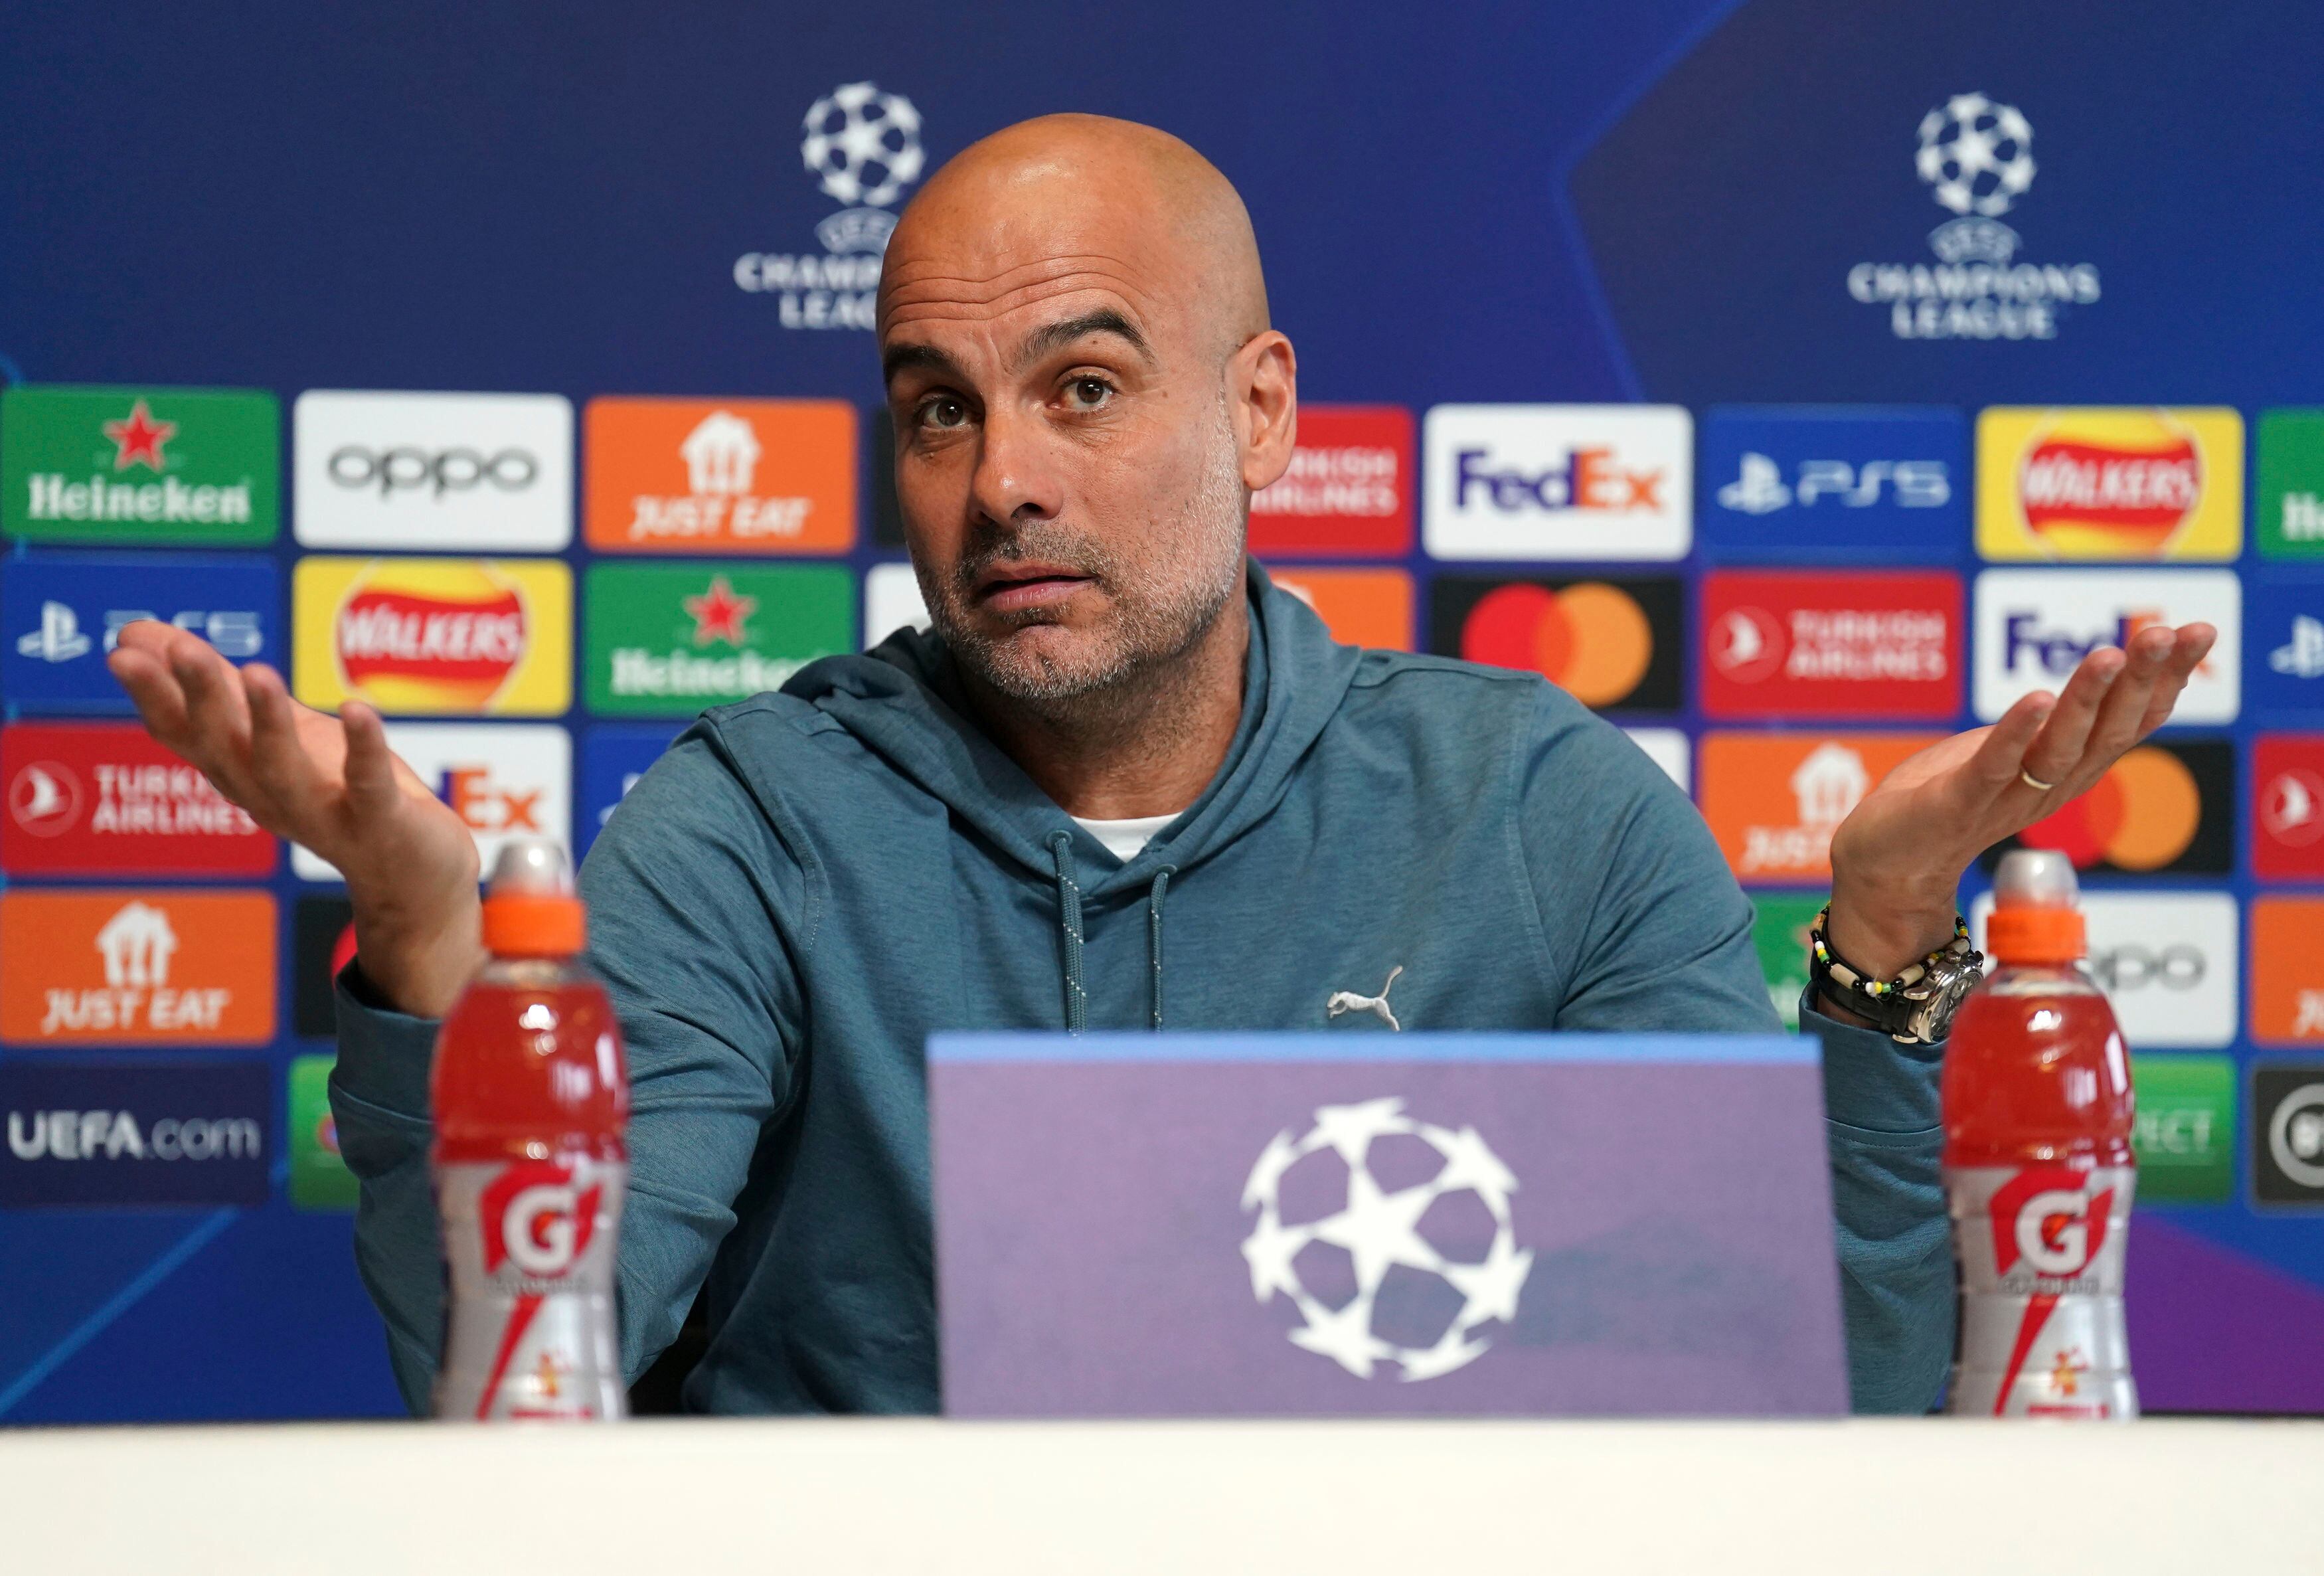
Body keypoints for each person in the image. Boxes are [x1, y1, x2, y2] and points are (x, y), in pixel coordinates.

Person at [109, 115, 2213, 1416]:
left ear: (1266, 413)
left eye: (1085, 386)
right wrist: (420, 951)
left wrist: (1878, 939)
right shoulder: (742, 830)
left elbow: (1803, 1396)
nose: (1002, 480)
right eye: (936, 410)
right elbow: (520, 1376)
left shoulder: (1546, 816)